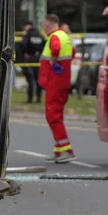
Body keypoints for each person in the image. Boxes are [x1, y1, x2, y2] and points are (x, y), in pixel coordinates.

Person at [38, 14, 75, 163]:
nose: (43, 28)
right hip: (63, 81)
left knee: (53, 115)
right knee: (56, 115)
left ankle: (67, 150)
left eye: (43, 25)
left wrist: (53, 63)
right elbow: (73, 52)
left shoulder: (54, 38)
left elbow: (55, 49)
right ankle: (59, 150)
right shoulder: (64, 36)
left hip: (55, 82)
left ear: (48, 25)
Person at [16, 20, 44, 103]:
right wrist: (39, 52)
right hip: (37, 59)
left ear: (28, 26)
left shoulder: (28, 35)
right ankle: (38, 98)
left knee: (30, 79)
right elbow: (44, 44)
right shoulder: (40, 35)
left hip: (29, 59)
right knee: (38, 79)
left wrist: (25, 53)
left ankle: (30, 98)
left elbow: (23, 44)